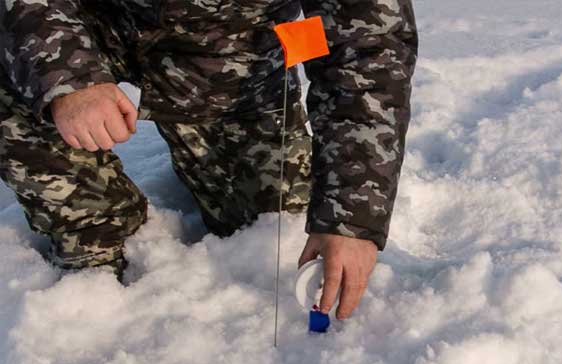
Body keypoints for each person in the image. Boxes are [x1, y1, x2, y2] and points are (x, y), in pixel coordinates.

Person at [0, 1, 417, 320]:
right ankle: (95, 226)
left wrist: (351, 220)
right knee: (17, 71)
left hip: (229, 72)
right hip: (91, 30)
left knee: (269, 226)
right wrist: (68, 80)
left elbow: (370, 52)